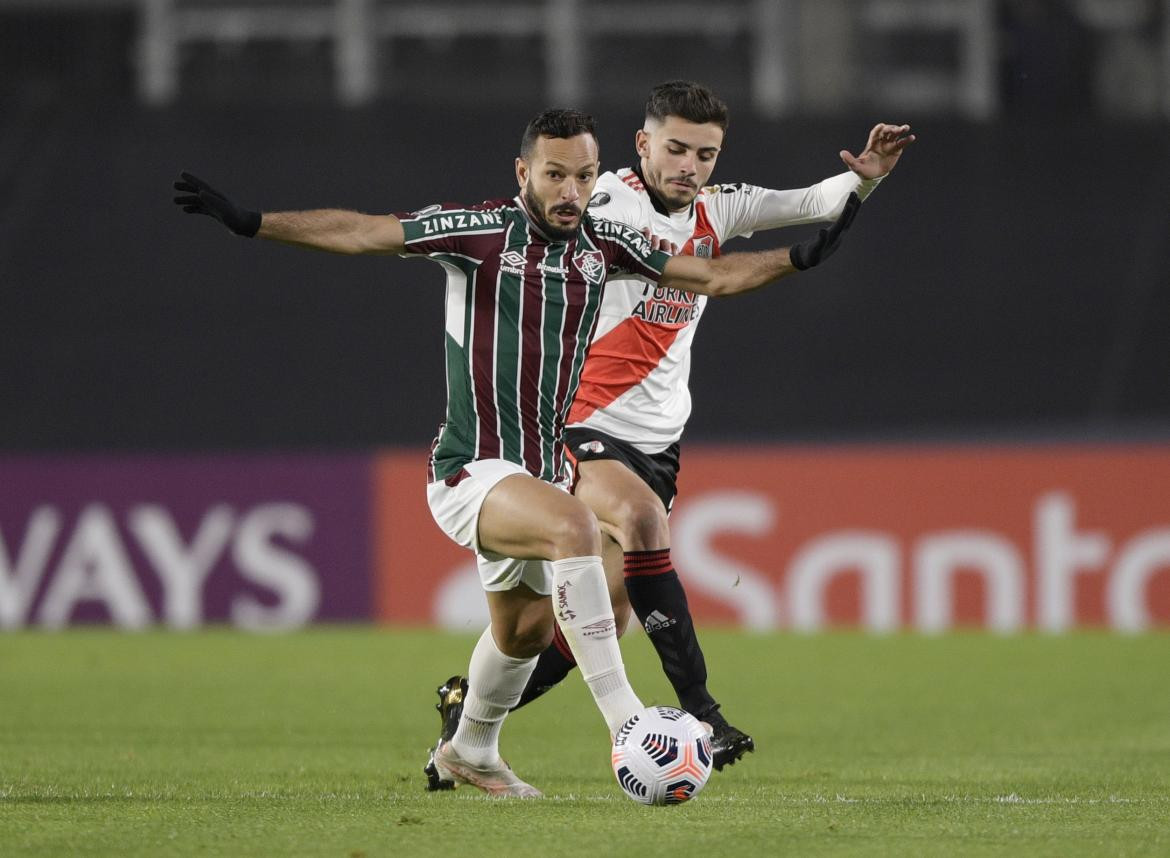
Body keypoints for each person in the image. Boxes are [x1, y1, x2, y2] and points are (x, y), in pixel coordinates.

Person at [174, 107, 863, 798]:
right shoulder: (476, 232)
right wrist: (253, 221)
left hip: (540, 472)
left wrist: (800, 257)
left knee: (524, 635)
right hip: (470, 468)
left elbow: (711, 278)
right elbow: (363, 232)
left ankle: (469, 747)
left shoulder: (606, 244)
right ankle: (630, 725)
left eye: (585, 176)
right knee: (578, 530)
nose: (571, 191)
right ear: (523, 173)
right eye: (556, 174)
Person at [425, 82, 914, 784]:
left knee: (602, 612)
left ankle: (469, 716)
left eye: (705, 153)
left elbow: (811, 203)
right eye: (676, 148)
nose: (689, 164)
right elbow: (529, 214)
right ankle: (704, 716)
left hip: (657, 443)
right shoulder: (599, 202)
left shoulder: (723, 209)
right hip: (580, 419)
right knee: (641, 520)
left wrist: (864, 180)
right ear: (643, 144)